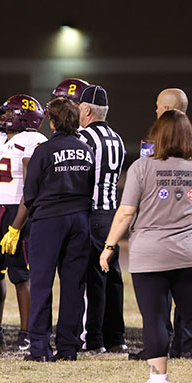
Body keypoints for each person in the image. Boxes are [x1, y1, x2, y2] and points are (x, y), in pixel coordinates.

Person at [100, 109, 192, 383]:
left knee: (155, 317)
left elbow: (125, 213)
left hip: (152, 254)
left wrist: (109, 246)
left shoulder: (142, 167)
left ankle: (159, 380)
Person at [5, 97, 94, 361]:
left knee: (42, 284)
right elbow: (90, 187)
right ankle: (68, 347)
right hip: (79, 221)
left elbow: (29, 193)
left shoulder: (44, 151)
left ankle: (39, 348)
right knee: (73, 286)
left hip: (48, 222)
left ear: (52, 122)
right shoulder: (85, 149)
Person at [0, 94, 47, 351]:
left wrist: (17, 226)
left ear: (23, 118)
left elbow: (30, 188)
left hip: (18, 212)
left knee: (20, 275)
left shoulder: (31, 141)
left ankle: (27, 332)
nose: (2, 118)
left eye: (8, 114)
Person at [76, 85, 127, 355]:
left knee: (93, 277)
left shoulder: (83, 137)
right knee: (113, 276)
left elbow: (80, 178)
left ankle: (93, 339)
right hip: (112, 213)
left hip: (92, 212)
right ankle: (116, 337)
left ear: (86, 110)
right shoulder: (117, 139)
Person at [155, 87, 192, 358]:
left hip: (178, 227)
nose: (157, 112)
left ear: (172, 111)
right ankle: (161, 344)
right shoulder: (160, 143)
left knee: (183, 292)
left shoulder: (191, 144)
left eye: (160, 107)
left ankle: (183, 347)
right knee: (159, 292)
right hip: (160, 227)